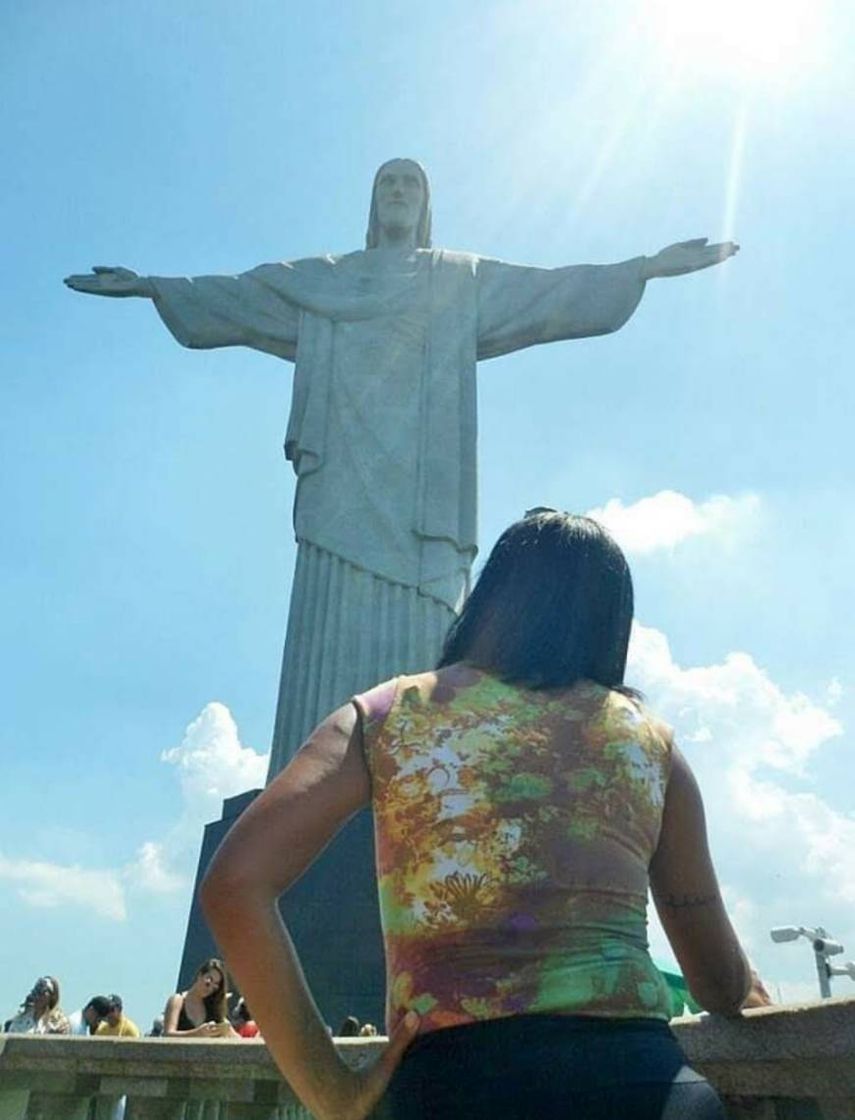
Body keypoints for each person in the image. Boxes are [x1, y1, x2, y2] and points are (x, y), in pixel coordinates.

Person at [64, 160, 739, 781]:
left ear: (424, 206)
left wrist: (641, 269)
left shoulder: (457, 278)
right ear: (371, 202)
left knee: (425, 611)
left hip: (424, 489)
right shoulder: (323, 278)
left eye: (409, 185)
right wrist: (153, 287)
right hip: (341, 480)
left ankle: (414, 765)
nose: (397, 193)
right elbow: (244, 297)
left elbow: (548, 292)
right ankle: (308, 776)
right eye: (387, 183)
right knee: (329, 601)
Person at [200, 510, 770, 1119]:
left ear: (493, 597)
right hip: (646, 1088)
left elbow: (235, 885)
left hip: (449, 1089)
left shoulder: (388, 716)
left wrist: (331, 1090)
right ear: (610, 623)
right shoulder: (650, 744)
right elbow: (717, 981)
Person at [162, 958, 236, 1038]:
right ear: (200, 975)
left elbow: (235, 1037)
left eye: (215, 986)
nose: (210, 988)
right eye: (208, 982)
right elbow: (168, 1034)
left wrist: (225, 1030)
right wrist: (197, 1033)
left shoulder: (212, 1007)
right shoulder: (177, 1000)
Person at [3, 976, 70, 1035]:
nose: (39, 996)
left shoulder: (58, 1022)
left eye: (43, 992)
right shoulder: (19, 1021)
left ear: (51, 997)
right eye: (37, 991)